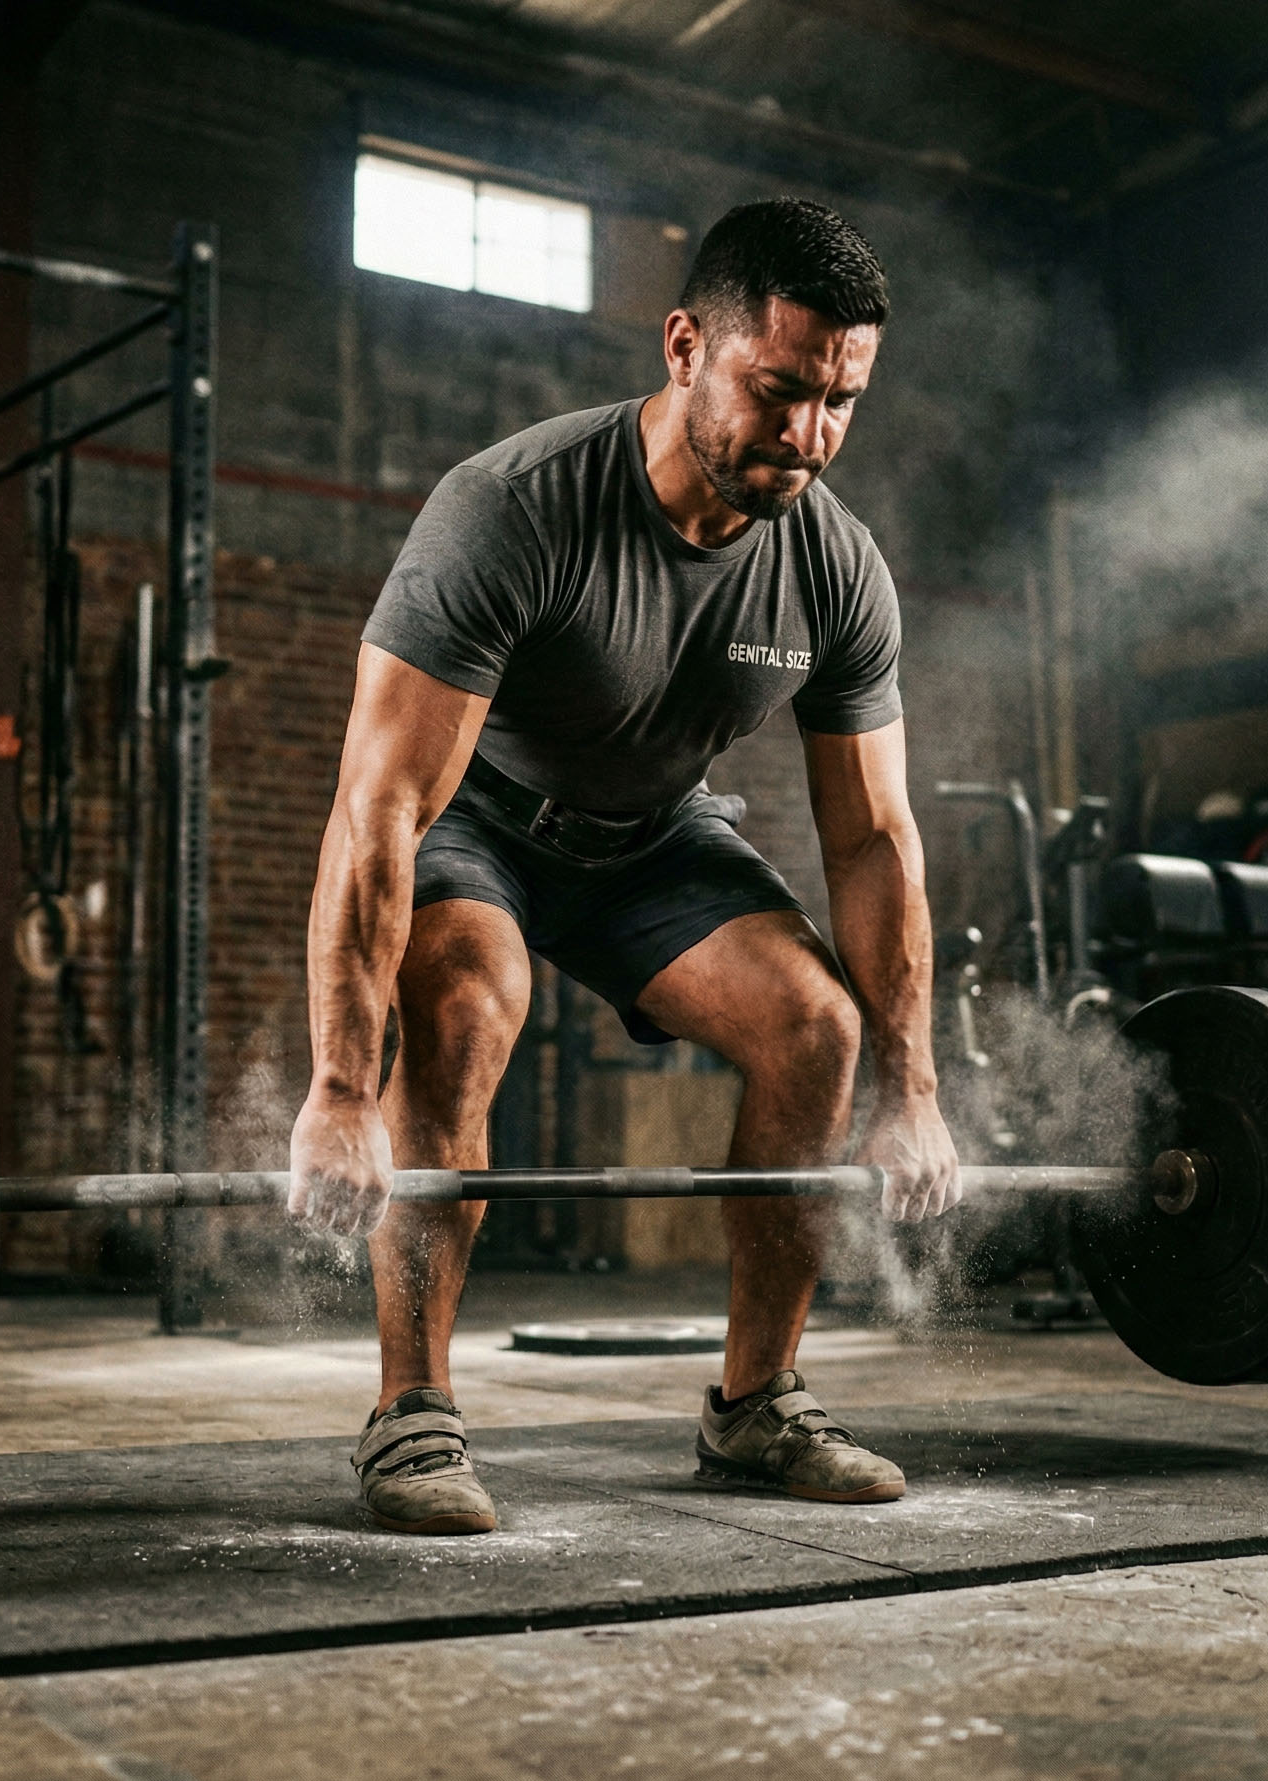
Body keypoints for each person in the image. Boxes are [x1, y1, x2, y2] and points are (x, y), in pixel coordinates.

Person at [287, 198, 961, 1535]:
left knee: (815, 1026)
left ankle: (755, 1404)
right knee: (471, 1006)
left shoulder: (834, 569)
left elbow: (873, 841)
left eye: (841, 402)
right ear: (684, 346)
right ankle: (411, 1417)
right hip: (482, 818)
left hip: (656, 836)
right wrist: (335, 1087)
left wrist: (915, 1087)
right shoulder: (512, 512)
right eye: (779, 391)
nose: (808, 436)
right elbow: (378, 810)